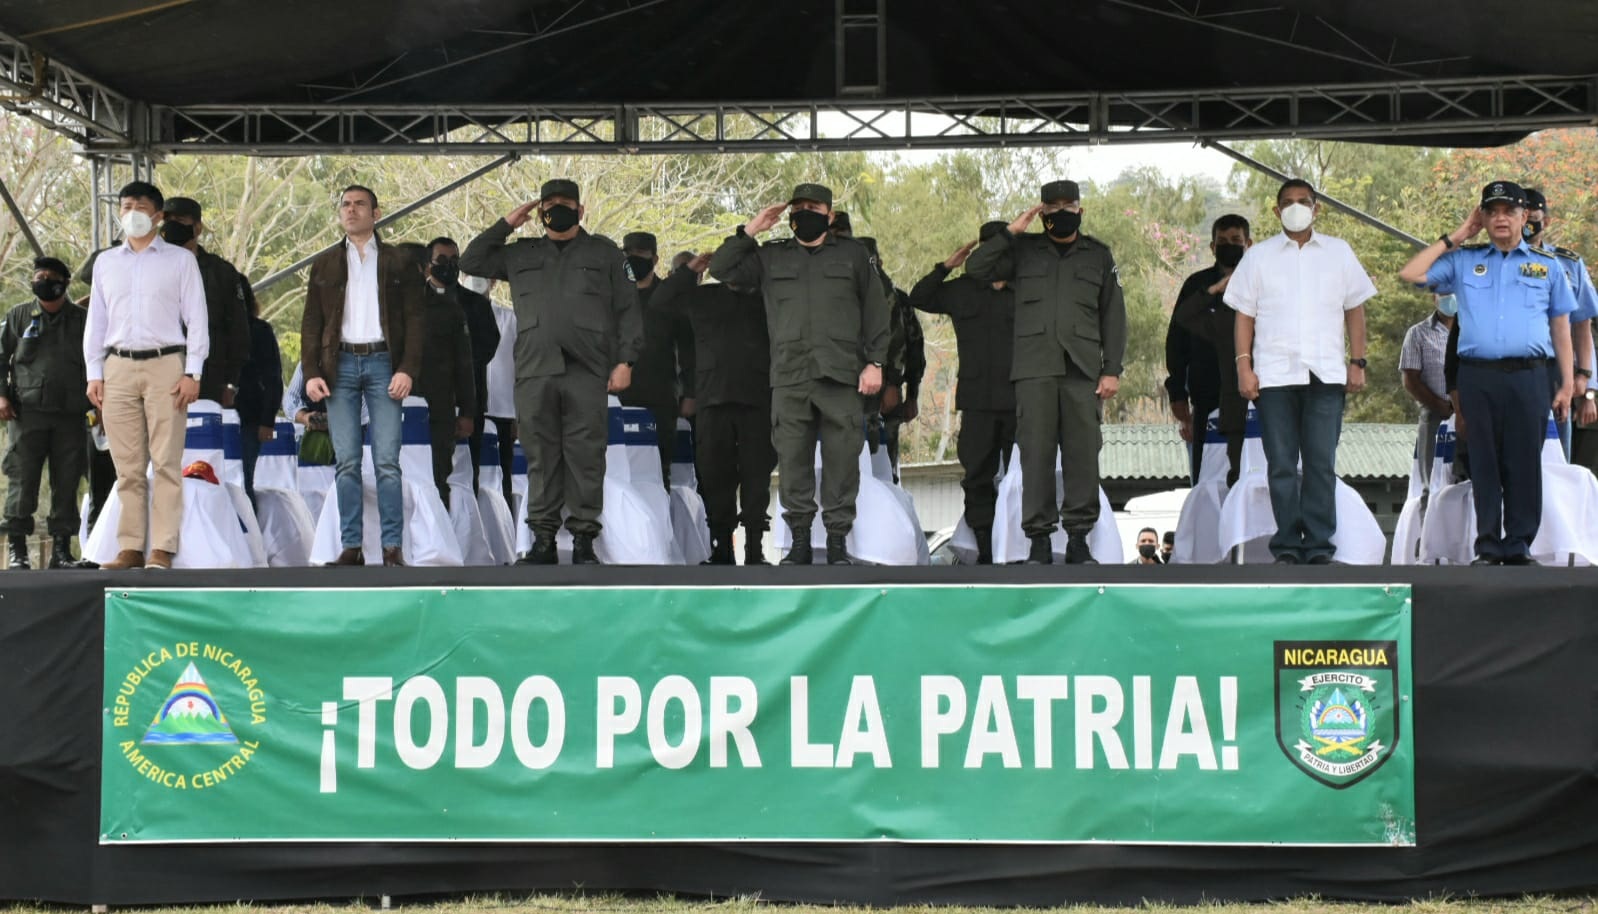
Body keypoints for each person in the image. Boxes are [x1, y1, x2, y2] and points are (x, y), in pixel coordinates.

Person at [459, 178, 643, 565]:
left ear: (580, 209)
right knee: (540, 455)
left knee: (586, 455)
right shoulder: (520, 253)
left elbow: (629, 309)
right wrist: (508, 223)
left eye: (564, 203)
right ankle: (542, 539)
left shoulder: (606, 254)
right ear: (539, 211)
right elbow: (470, 260)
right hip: (535, 369)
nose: (556, 209)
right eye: (548, 203)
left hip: (588, 369)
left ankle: (583, 539)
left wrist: (625, 362)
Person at [709, 182, 890, 565]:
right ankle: (801, 543)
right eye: (799, 207)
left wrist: (875, 363)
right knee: (792, 463)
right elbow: (720, 267)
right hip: (790, 377)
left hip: (841, 376)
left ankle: (838, 543)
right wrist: (751, 230)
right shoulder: (771, 257)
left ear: (829, 212)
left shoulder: (854, 256)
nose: (804, 212)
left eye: (813, 206)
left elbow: (877, 310)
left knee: (842, 463)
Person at [1399, 180, 1575, 565]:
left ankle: (1519, 544)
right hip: (1478, 376)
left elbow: (1561, 327)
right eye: (1491, 212)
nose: (1500, 219)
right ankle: (1488, 544)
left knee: (1524, 461)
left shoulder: (1548, 267)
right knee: (1483, 461)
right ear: (1482, 216)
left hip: (1530, 375)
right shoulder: (1465, 260)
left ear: (1523, 216)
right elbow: (1411, 273)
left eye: (1508, 211)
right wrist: (1461, 233)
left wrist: (1566, 384)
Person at [966, 179, 1127, 565]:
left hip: (1083, 371)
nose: (1060, 215)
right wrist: (1010, 232)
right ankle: (1038, 541)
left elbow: (1113, 316)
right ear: (1041, 213)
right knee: (1035, 458)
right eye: (1050, 210)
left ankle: (1078, 540)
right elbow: (976, 268)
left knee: (1082, 457)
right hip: (1034, 369)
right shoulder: (1022, 252)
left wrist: (1112, 370)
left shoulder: (1098, 256)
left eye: (1066, 208)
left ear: (1080, 210)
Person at [1228, 179, 1375, 565]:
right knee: (1279, 465)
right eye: (1288, 203)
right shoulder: (1257, 257)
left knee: (1321, 463)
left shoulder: (1339, 253)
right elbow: (1244, 315)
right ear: (1276, 211)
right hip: (1273, 376)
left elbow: (1355, 308)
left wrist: (1357, 362)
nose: (1296, 207)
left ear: (1317, 207)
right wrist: (1244, 366)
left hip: (1326, 374)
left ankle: (1321, 545)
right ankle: (1289, 545)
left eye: (1303, 201)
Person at [83, 181, 210, 570]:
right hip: (117, 365)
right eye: (125, 206)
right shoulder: (105, 262)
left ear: (158, 215)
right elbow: (96, 321)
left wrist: (194, 371)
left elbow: (197, 318)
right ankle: (130, 547)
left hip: (166, 363)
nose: (131, 212)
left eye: (140, 205)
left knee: (167, 462)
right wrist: (94, 372)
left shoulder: (180, 260)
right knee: (127, 466)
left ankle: (163, 548)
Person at [300, 185, 426, 567]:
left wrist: (407, 368)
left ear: (376, 212)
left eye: (359, 204)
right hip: (339, 364)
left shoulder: (399, 260)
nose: (351, 210)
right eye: (345, 205)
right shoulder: (324, 264)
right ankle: (351, 547)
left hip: (383, 362)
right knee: (347, 461)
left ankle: (392, 548)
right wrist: (310, 372)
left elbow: (417, 321)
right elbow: (311, 323)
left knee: (388, 460)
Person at [654, 252, 775, 564]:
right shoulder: (702, 297)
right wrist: (690, 270)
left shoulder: (770, 299)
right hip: (713, 400)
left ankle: (755, 548)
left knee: (756, 477)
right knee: (714, 475)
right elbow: (659, 301)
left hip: (759, 400)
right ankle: (721, 547)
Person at [908, 221, 1016, 564]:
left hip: (1021, 402)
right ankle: (984, 547)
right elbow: (919, 296)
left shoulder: (1028, 288)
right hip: (978, 402)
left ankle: (1024, 546)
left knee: (1025, 477)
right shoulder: (963, 289)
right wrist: (947, 266)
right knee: (977, 478)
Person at [1, 256, 92, 569]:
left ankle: (63, 552)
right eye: (38, 275)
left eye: (50, 276)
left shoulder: (82, 320)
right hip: (26, 414)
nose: (43, 281)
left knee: (66, 483)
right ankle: (17, 551)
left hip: (70, 414)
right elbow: (1, 357)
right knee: (22, 481)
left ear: (65, 283)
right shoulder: (19, 315)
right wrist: (1, 396)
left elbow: (97, 364)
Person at [1171, 215, 1253, 488]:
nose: (1229, 246)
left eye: (1236, 241)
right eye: (1223, 242)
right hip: (1206, 399)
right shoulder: (1197, 285)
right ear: (1212, 247)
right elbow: (1177, 339)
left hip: (1256, 400)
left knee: (1253, 479)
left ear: (1249, 244)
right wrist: (1177, 393)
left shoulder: (1263, 283)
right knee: (1207, 483)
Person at [1522, 188, 1598, 457]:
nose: (1528, 224)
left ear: (1546, 221)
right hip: (1513, 369)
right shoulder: (1496, 260)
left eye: (1534, 217)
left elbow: (1582, 325)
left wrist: (1586, 379)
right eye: (1523, 216)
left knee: (1556, 457)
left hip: (1555, 372)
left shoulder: (1568, 264)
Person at [157, 197, 252, 408]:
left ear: (197, 228)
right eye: (167, 220)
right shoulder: (148, 268)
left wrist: (231, 384)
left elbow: (238, 332)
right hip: (159, 373)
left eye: (179, 220)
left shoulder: (222, 273)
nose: (171, 226)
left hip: (209, 377)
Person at [617, 231, 694, 488]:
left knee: (659, 472)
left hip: (660, 397)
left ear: (655, 258)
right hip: (618, 396)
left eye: (640, 256)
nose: (634, 260)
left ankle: (659, 526)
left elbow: (688, 349)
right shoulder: (613, 296)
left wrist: (690, 392)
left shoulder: (671, 297)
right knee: (618, 470)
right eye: (628, 255)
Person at [412, 241, 476, 510]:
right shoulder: (383, 309)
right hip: (394, 408)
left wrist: (468, 412)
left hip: (438, 407)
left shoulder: (449, 310)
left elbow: (464, 365)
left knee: (438, 477)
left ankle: (441, 544)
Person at [233, 274, 283, 508]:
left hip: (250, 418)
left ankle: (249, 539)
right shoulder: (213, 331)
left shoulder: (261, 331)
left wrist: (267, 420)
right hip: (222, 415)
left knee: (243, 483)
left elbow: (273, 377)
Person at [1399, 294, 1456, 489]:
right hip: (1435, 417)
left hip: (1470, 417)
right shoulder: (1417, 333)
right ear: (1435, 297)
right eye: (1445, 293)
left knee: (1468, 485)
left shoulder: (1475, 331)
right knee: (1431, 485)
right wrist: (1441, 407)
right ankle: (1427, 520)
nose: (1452, 297)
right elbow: (1410, 380)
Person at [473, 273, 518, 507]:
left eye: (482, 277)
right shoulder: (458, 315)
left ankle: (508, 525)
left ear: (493, 282)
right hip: (471, 407)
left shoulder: (510, 319)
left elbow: (520, 367)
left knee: (505, 470)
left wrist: (518, 414)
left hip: (504, 410)